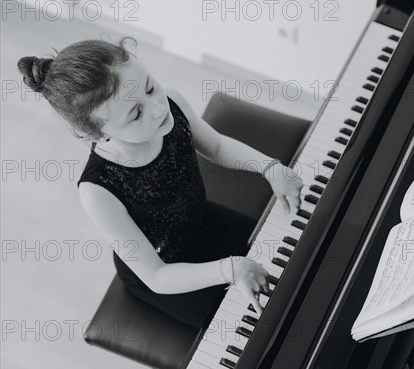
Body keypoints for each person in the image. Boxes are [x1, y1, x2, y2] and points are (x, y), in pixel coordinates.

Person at [17, 37, 304, 330]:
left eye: (150, 87)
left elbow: (216, 146)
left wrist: (270, 168)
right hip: (167, 268)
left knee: (297, 259)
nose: (157, 108)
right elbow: (156, 276)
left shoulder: (174, 102)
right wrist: (229, 269)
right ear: (93, 134)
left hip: (202, 218)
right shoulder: (97, 191)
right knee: (259, 325)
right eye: (135, 114)